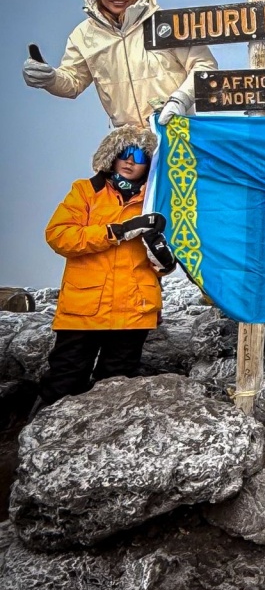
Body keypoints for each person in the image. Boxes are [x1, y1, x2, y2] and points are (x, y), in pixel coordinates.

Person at [39, 125, 177, 406]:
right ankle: (44, 443)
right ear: (111, 156)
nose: (130, 161)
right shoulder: (86, 191)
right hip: (83, 310)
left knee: (116, 391)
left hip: (133, 313)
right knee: (64, 383)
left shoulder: (158, 202)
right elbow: (58, 236)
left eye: (139, 156)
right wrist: (114, 232)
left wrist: (163, 257)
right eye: (124, 153)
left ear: (150, 164)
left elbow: (166, 266)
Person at [21, 0, 220, 127]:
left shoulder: (168, 22)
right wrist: (49, 79)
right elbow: (72, 83)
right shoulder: (83, 35)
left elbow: (204, 65)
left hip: (176, 130)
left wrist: (180, 100)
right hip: (128, 145)